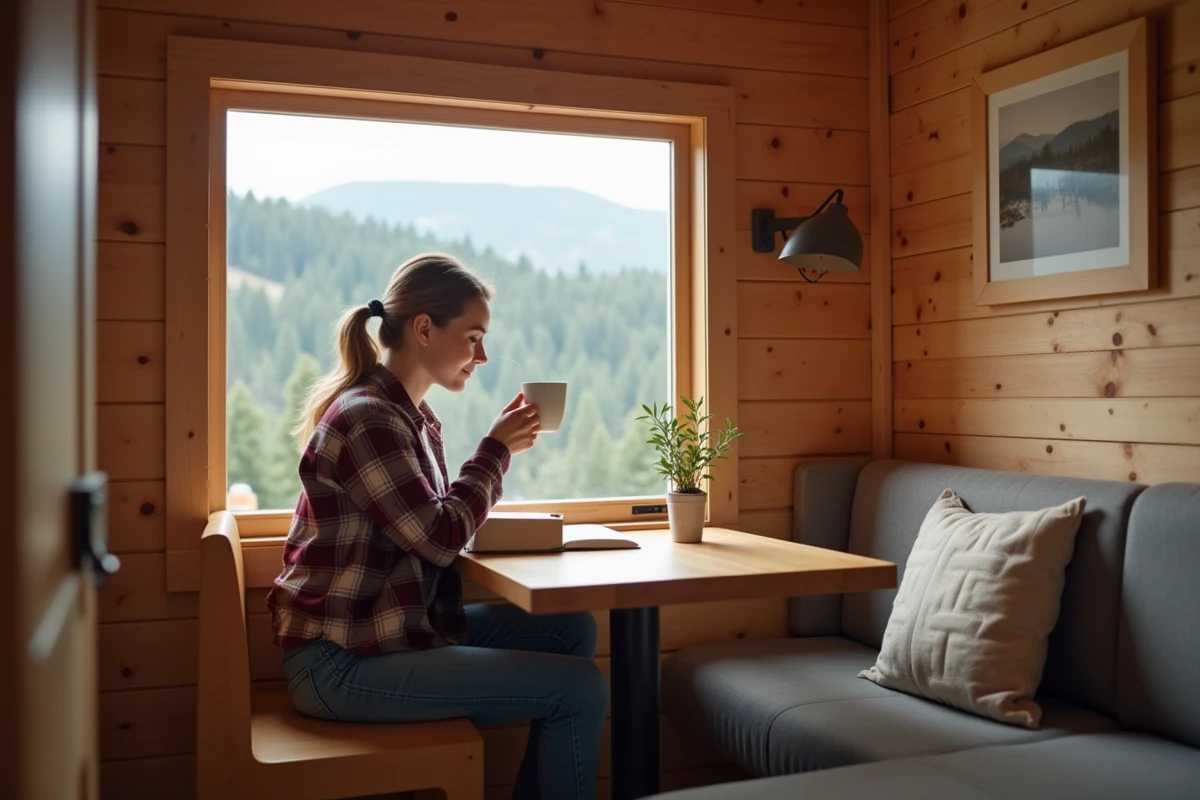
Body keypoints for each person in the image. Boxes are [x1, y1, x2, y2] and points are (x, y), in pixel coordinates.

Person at [266, 253, 607, 800]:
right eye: (473, 338)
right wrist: (496, 451)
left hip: (384, 633)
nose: (483, 356)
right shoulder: (368, 419)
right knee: (579, 691)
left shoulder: (407, 417)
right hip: (341, 664)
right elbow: (440, 538)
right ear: (424, 328)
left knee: (572, 630)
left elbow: (430, 527)